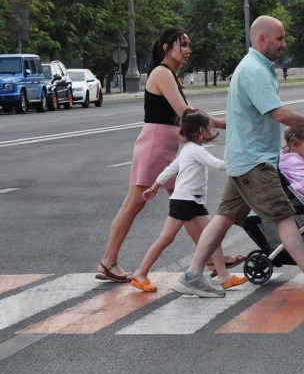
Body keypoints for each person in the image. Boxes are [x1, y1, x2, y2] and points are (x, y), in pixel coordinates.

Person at [173, 16, 304, 299]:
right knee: (284, 215)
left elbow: (249, 117)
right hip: (254, 161)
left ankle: (192, 276)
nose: (284, 44)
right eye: (279, 38)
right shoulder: (254, 70)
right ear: (262, 39)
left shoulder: (255, 67)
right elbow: (278, 114)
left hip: (245, 158)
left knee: (223, 218)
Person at [95, 26, 235, 283]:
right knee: (135, 203)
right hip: (155, 146)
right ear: (166, 47)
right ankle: (108, 261)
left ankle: (216, 259)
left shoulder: (169, 74)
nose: (188, 50)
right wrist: (224, 123)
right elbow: (185, 112)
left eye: (188, 44)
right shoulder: (162, 73)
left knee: (188, 205)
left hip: (164, 147)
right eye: (182, 44)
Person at [131, 109, 247, 292]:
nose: (211, 131)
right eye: (209, 128)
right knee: (167, 238)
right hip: (185, 201)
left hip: (192, 201)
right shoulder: (195, 151)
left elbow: (170, 169)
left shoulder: (187, 150)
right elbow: (217, 164)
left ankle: (224, 277)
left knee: (213, 235)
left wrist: (154, 187)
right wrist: (239, 161)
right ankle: (140, 273)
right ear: (201, 131)